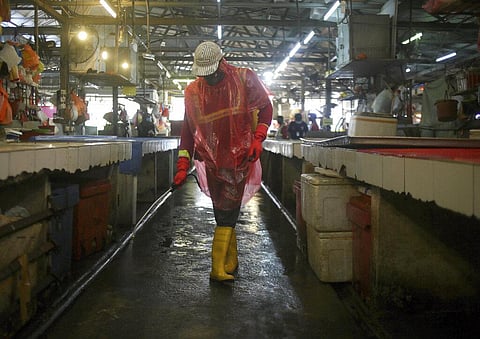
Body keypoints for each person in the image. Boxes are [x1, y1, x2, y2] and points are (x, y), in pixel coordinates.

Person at [172, 41, 273, 282]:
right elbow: (187, 132)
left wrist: (259, 137)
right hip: (211, 161)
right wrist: (182, 165)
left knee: (227, 213)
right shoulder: (193, 92)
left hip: (239, 158)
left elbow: (266, 108)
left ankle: (219, 267)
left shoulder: (244, 78)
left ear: (221, 62)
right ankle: (229, 260)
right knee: (224, 211)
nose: (209, 78)